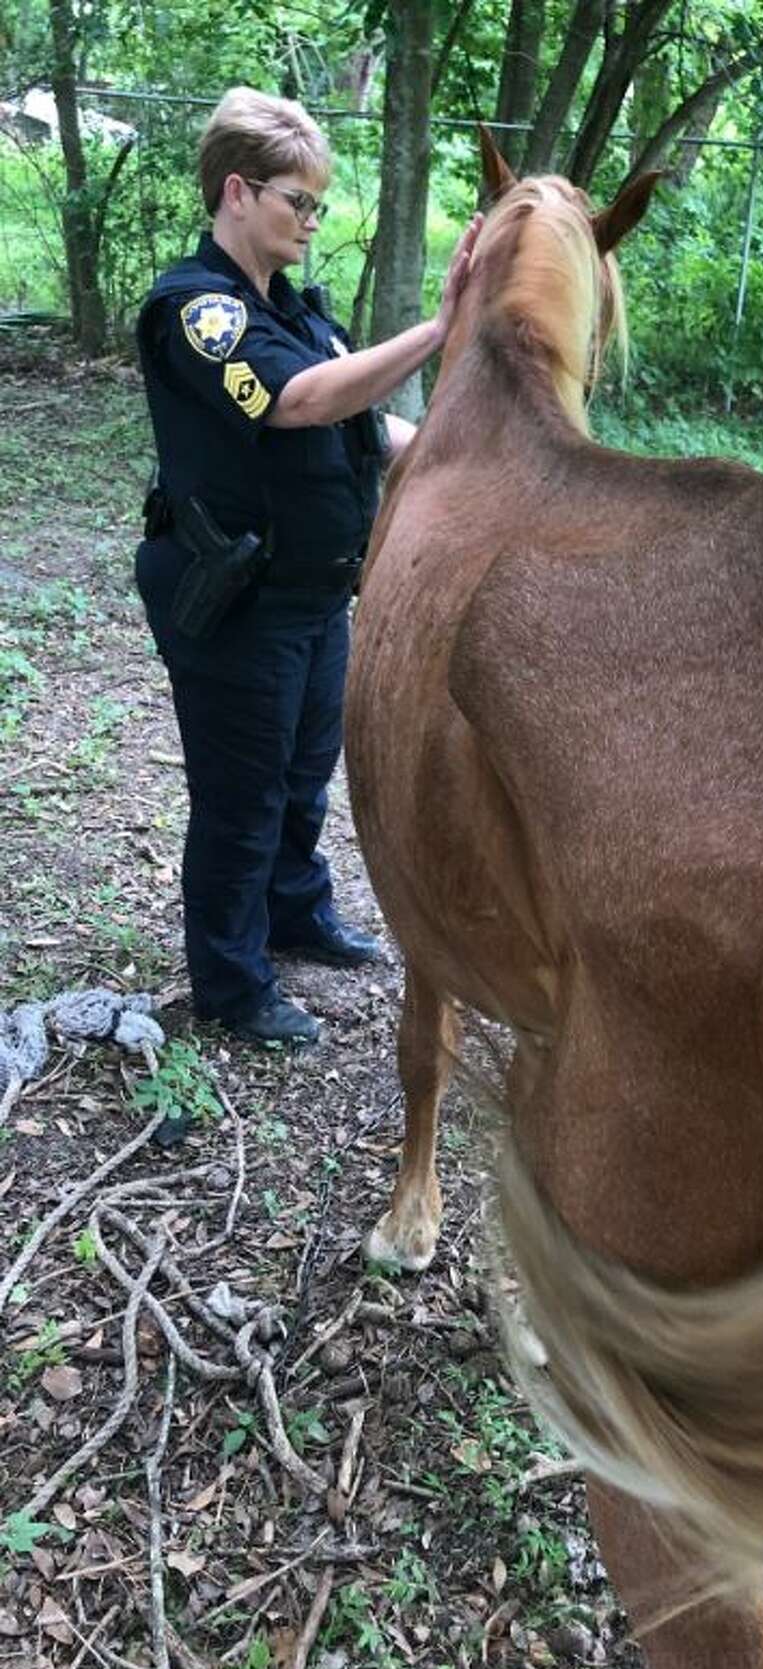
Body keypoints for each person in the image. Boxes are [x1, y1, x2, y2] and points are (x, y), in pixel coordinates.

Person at [135, 87, 481, 1046]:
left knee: (300, 775)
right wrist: (439, 329)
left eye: (321, 206)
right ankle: (232, 984)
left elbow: (371, 425)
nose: (312, 223)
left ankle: (295, 911)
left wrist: (471, 458)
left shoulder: (295, 314)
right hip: (236, 603)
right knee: (242, 796)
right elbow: (298, 402)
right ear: (240, 192)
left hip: (314, 596)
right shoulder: (196, 311)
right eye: (301, 202)